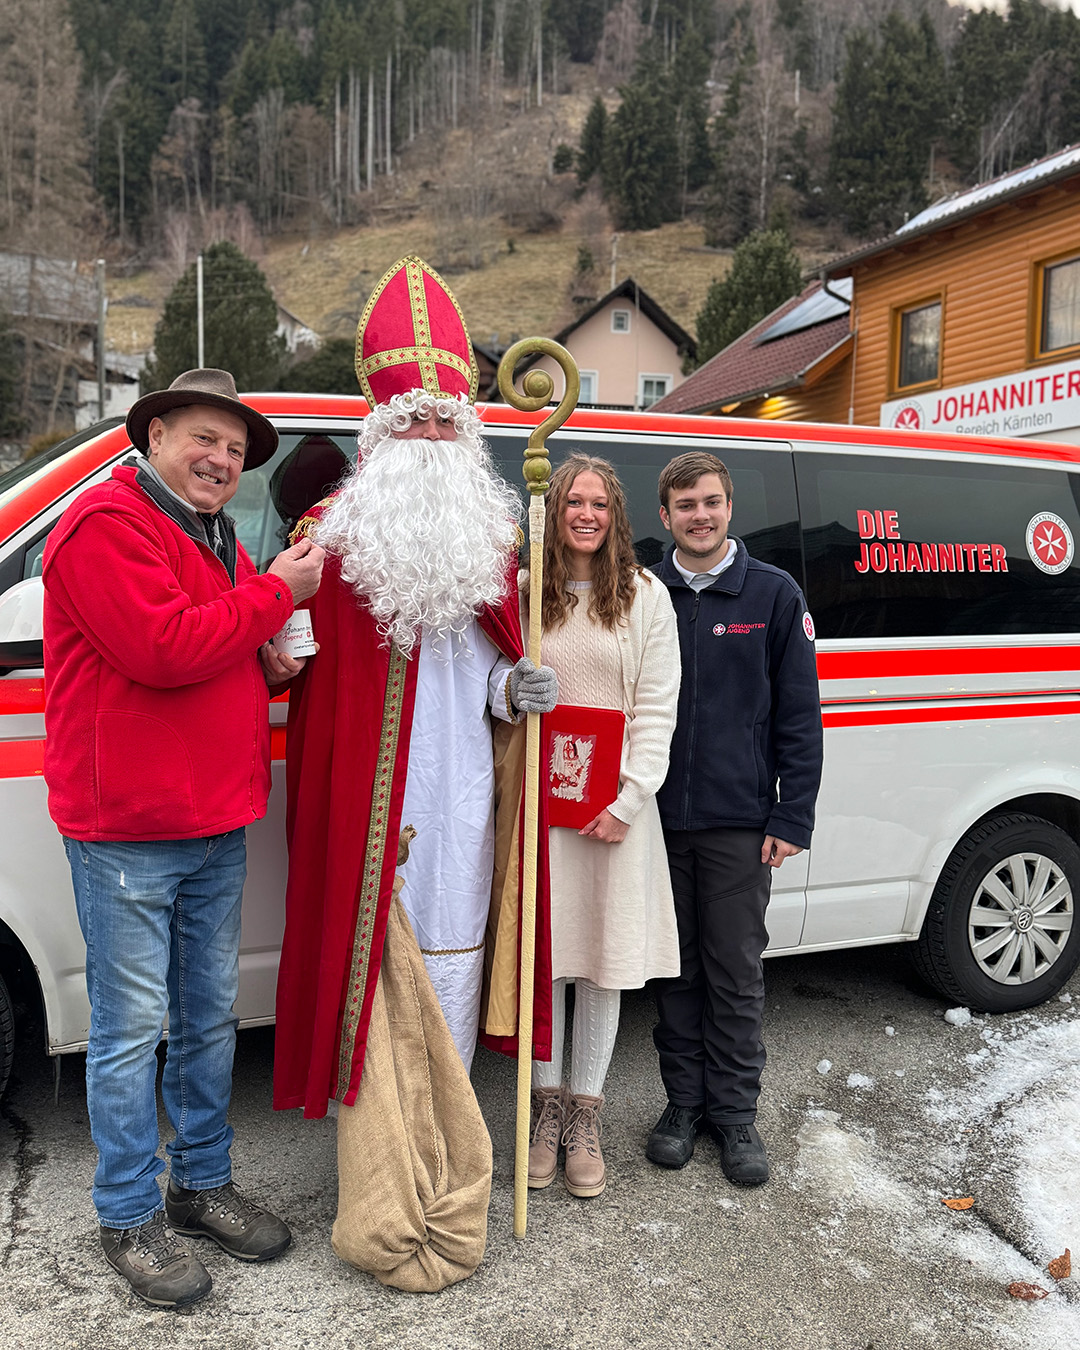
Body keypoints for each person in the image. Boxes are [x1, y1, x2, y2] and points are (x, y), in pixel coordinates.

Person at [41, 368, 325, 1308]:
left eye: (236, 452)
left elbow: (217, 648)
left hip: (212, 818)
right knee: (128, 1033)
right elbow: (162, 649)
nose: (221, 460)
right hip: (128, 827)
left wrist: (269, 666)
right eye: (204, 439)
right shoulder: (104, 526)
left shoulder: (214, 537)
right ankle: (128, 1214)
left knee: (206, 1019)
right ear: (154, 434)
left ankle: (200, 1186)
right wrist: (280, 593)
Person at [274, 255, 557, 1121]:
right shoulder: (331, 535)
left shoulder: (493, 537)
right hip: (372, 803)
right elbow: (289, 654)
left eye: (446, 420)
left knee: (459, 952)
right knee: (371, 958)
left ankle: (449, 1126)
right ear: (381, 433)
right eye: (416, 420)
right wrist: (281, 637)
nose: (433, 435)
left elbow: (490, 678)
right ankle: (378, 1147)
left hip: (467, 793)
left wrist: (520, 688)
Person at [645, 451, 822, 1186]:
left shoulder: (772, 594)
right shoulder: (646, 591)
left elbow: (800, 719)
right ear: (665, 516)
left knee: (737, 974)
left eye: (711, 502)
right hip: (655, 823)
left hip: (739, 824)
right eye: (686, 505)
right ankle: (684, 1107)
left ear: (728, 508)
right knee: (674, 974)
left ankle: (737, 1116)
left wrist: (791, 816)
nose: (700, 515)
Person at [527, 454, 681, 1199]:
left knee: (602, 961)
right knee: (546, 959)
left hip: (615, 811)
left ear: (615, 516)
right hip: (542, 805)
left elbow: (656, 706)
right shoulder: (529, 591)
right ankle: (543, 1108)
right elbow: (499, 692)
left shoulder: (645, 597)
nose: (584, 514)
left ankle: (585, 1112)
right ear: (554, 513)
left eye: (598, 504)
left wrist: (627, 799)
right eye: (571, 503)